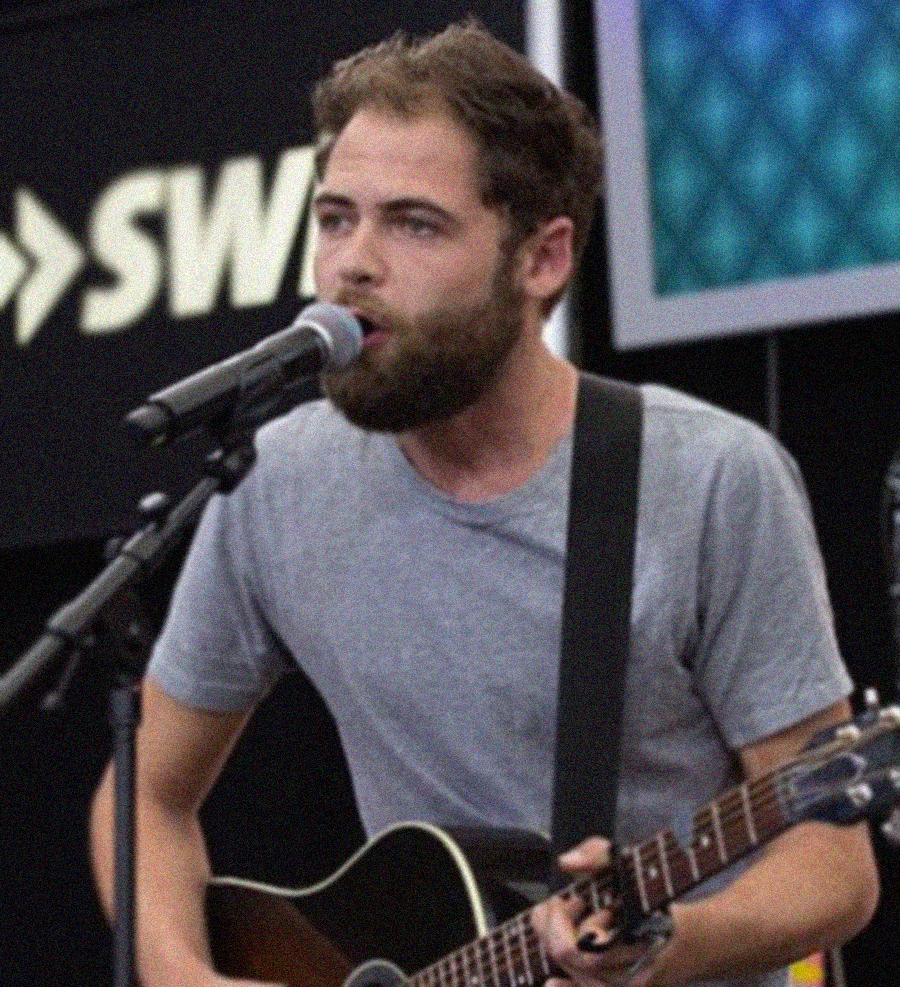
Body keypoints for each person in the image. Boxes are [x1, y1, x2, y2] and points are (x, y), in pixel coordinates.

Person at [89, 19, 878, 987]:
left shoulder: (708, 480)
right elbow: (145, 800)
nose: (353, 265)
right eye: (336, 219)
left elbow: (835, 867)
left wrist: (660, 948)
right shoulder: (276, 482)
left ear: (542, 259)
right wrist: (185, 978)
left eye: (414, 224)